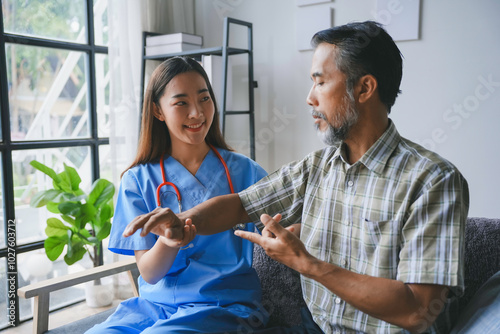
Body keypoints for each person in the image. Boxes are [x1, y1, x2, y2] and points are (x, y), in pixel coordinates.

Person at [123, 21, 470, 334]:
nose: (309, 98)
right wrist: (180, 222)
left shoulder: (432, 180)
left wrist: (308, 263)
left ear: (364, 89)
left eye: (320, 82)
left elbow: (419, 312)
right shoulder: (316, 167)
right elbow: (238, 205)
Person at [86, 56, 269, 333]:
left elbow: (283, 229)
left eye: (204, 98)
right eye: (181, 102)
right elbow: (149, 272)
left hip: (225, 307)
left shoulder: (247, 172)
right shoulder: (137, 180)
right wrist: (170, 240)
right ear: (158, 111)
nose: (196, 113)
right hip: (154, 307)